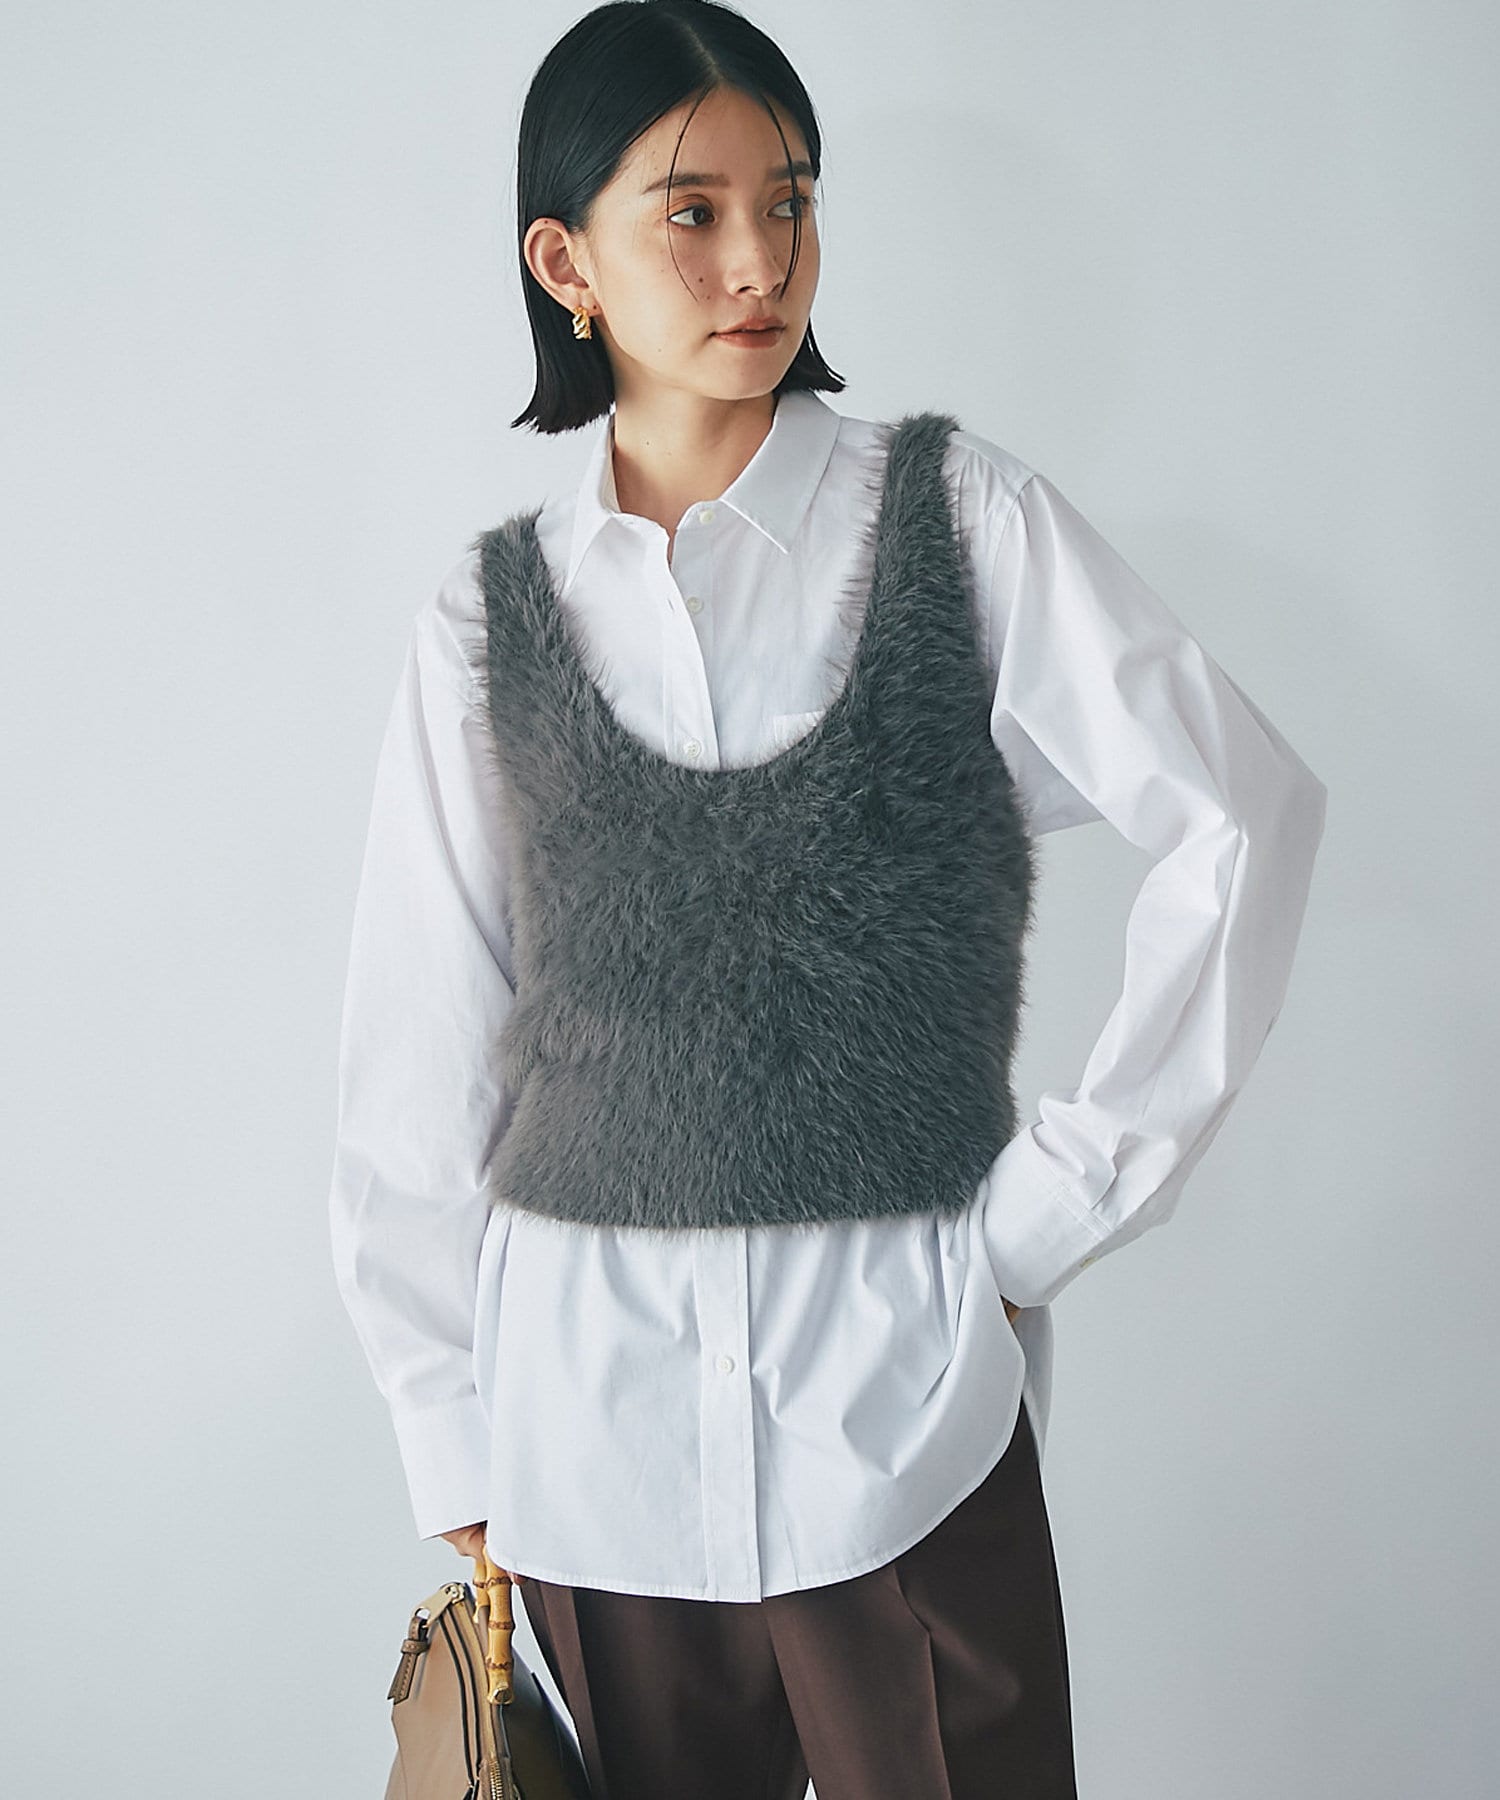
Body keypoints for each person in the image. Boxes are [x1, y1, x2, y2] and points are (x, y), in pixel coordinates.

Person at [327, 5, 1328, 1796]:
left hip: (905, 1425)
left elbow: (1244, 819)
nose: (760, 259)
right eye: (692, 212)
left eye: (789, 200)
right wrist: (447, 1430)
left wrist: (1043, 1218)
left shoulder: (964, 525)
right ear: (565, 264)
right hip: (591, 1455)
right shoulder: (486, 621)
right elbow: (420, 1053)